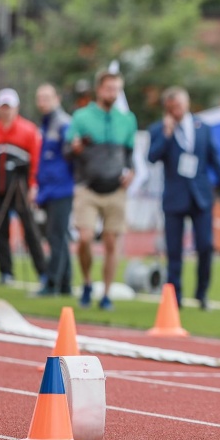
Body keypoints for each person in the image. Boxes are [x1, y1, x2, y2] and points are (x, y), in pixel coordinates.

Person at [147, 86, 220, 309]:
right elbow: (152, 157)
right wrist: (166, 135)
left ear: (186, 104)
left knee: (205, 245)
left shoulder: (202, 127)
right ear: (167, 108)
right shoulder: (159, 129)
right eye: (172, 107)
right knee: (174, 250)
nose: (176, 110)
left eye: (179, 105)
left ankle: (202, 293)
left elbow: (214, 159)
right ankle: (174, 296)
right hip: (174, 197)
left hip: (200, 196)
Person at [66, 68, 138, 310]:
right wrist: (75, 147)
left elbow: (129, 154)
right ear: (99, 89)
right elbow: (68, 150)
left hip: (115, 189)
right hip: (88, 187)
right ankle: (87, 282)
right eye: (109, 88)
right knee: (84, 238)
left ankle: (106, 294)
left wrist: (132, 171)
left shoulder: (127, 119)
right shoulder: (81, 117)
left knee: (111, 243)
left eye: (117, 89)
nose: (113, 93)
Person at [0, 89, 47, 285]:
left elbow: (36, 163)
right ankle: (6, 272)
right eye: (3, 107)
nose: (6, 111)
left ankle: (43, 271)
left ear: (16, 108)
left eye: (9, 107)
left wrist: (33, 186)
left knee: (30, 231)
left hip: (20, 191)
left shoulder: (29, 130)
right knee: (0, 233)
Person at [34, 84, 75, 296]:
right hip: (49, 189)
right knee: (58, 235)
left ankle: (52, 283)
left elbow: (70, 157)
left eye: (47, 97)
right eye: (40, 98)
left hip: (61, 189)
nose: (43, 102)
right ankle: (66, 284)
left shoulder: (63, 124)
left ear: (57, 98)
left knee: (55, 236)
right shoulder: (46, 124)